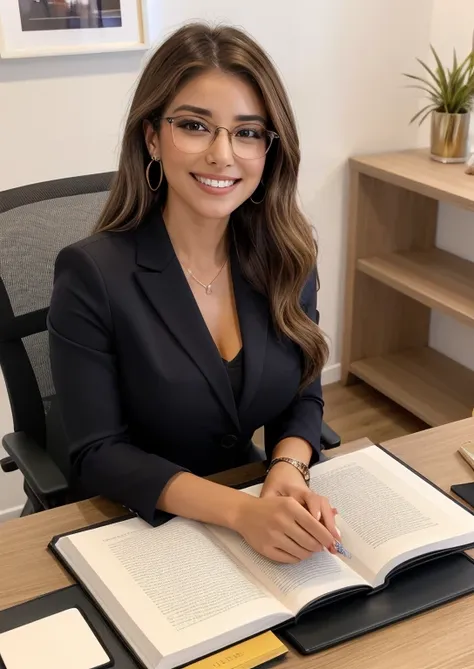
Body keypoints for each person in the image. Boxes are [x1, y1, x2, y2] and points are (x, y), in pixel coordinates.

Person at [48, 22, 339, 564]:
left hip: (251, 509)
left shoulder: (287, 255)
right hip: (134, 526)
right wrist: (238, 511)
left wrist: (288, 467)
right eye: (195, 126)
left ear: (270, 150)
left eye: (248, 132)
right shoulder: (92, 275)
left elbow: (303, 394)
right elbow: (97, 453)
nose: (223, 154)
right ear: (152, 137)